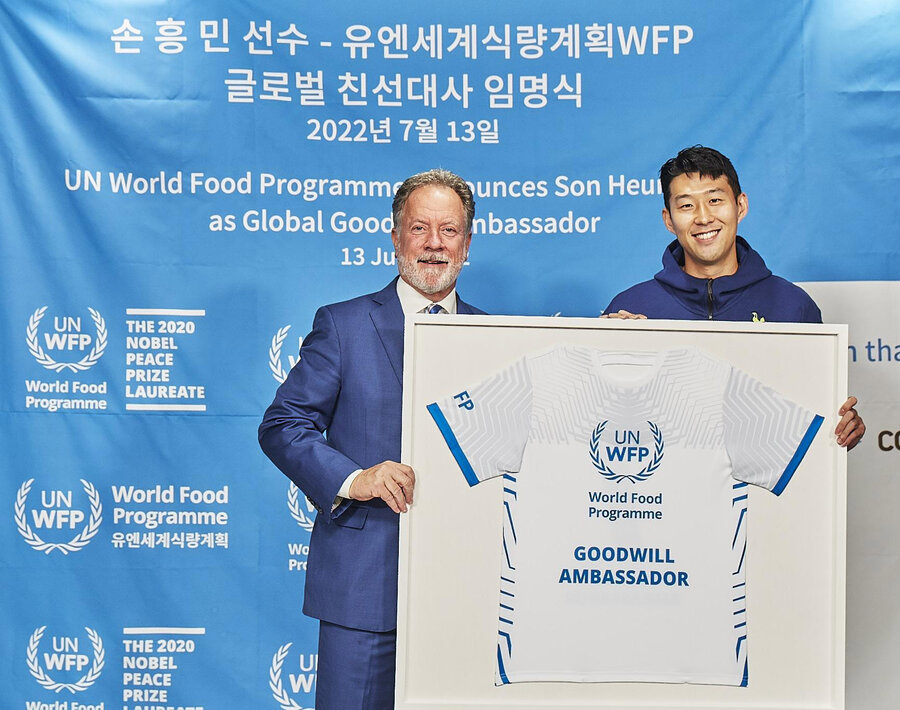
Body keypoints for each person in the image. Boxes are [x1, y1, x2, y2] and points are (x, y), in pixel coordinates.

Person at [259, 168, 484, 709]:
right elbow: (282, 424)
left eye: (449, 231)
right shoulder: (343, 325)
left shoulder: (490, 334)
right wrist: (355, 478)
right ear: (394, 236)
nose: (434, 244)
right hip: (363, 585)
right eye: (419, 228)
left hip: (465, 589)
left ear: (467, 243)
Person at [603, 145, 865, 450]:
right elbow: (598, 422)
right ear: (668, 219)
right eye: (686, 206)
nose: (703, 217)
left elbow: (815, 417)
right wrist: (607, 350)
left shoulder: (793, 305)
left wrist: (843, 426)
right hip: (663, 492)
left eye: (715, 200)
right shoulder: (630, 309)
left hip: (765, 493)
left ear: (740, 206)